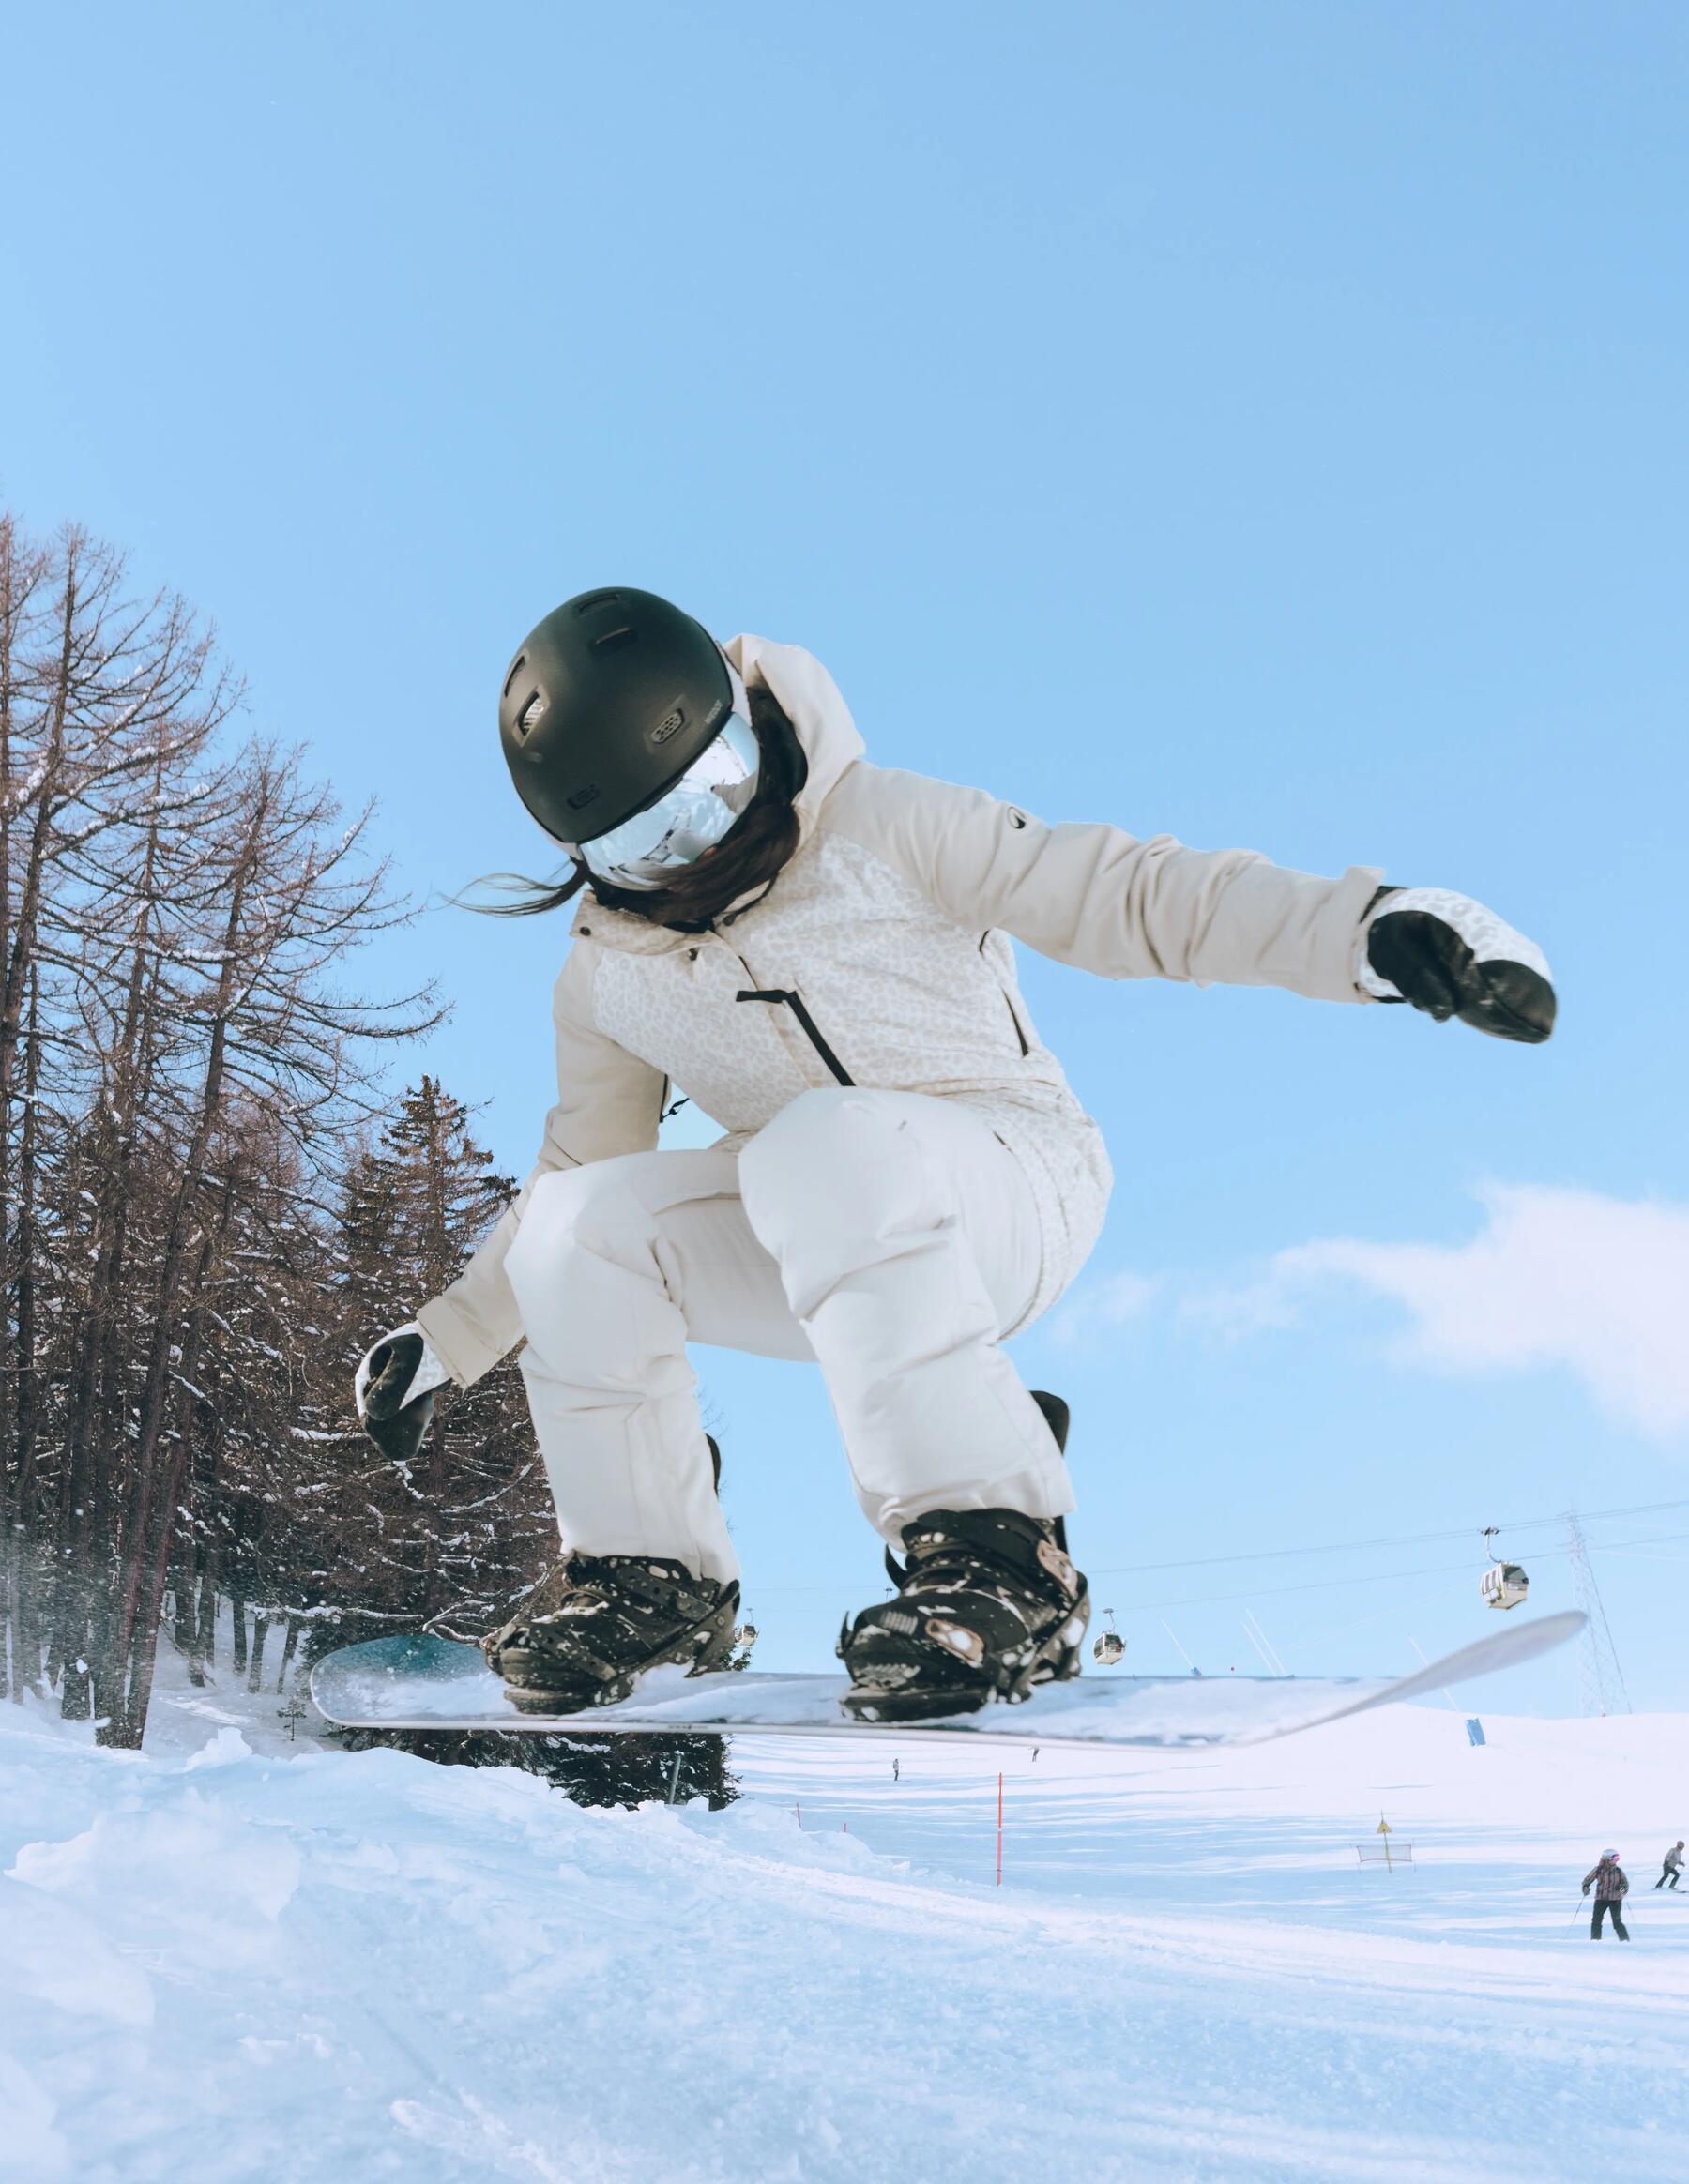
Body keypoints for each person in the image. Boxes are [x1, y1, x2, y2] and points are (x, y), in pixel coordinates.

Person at [353, 588, 1556, 1722]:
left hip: (1015, 1185)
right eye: (649, 842)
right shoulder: (610, 973)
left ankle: (997, 1556)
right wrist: (452, 1334)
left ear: (742, 722)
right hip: (813, 1224)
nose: (702, 846)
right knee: (583, 1229)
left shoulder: (883, 826)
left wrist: (1368, 926)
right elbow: (578, 1167)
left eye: (714, 789)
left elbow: (1136, 894)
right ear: (594, 857)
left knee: (825, 1144)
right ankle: (648, 1580)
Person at [1583, 1850, 1631, 1939]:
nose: (1616, 1861)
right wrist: (1585, 1887)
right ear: (1607, 1859)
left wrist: (1622, 1889)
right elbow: (1587, 1880)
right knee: (1596, 1921)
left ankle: (1625, 1940)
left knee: (1617, 1922)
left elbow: (1625, 1885)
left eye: (1618, 1858)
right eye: (1615, 1858)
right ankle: (1595, 1940)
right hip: (1601, 1899)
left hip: (1615, 1900)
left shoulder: (1618, 1871)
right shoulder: (1598, 1870)